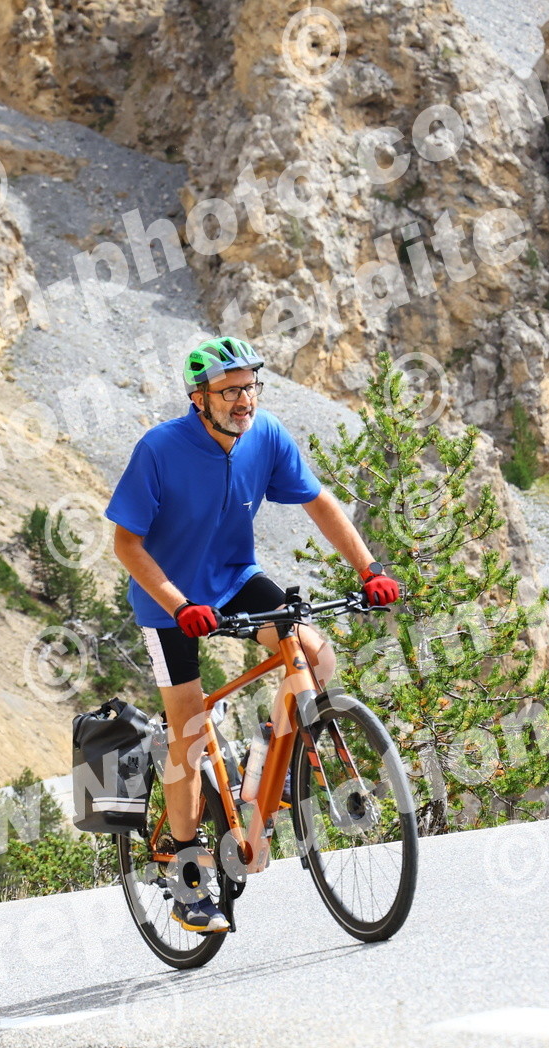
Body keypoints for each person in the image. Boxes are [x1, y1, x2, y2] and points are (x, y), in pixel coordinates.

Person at [104, 336, 400, 933]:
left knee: (313, 655)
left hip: (235, 579)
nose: (244, 400)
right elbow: (126, 544)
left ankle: (271, 765)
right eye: (230, 391)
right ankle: (187, 871)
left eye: (250, 387)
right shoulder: (160, 449)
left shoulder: (265, 435)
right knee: (189, 729)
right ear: (199, 398)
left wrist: (369, 568)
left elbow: (319, 503)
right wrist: (179, 604)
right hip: (169, 603)